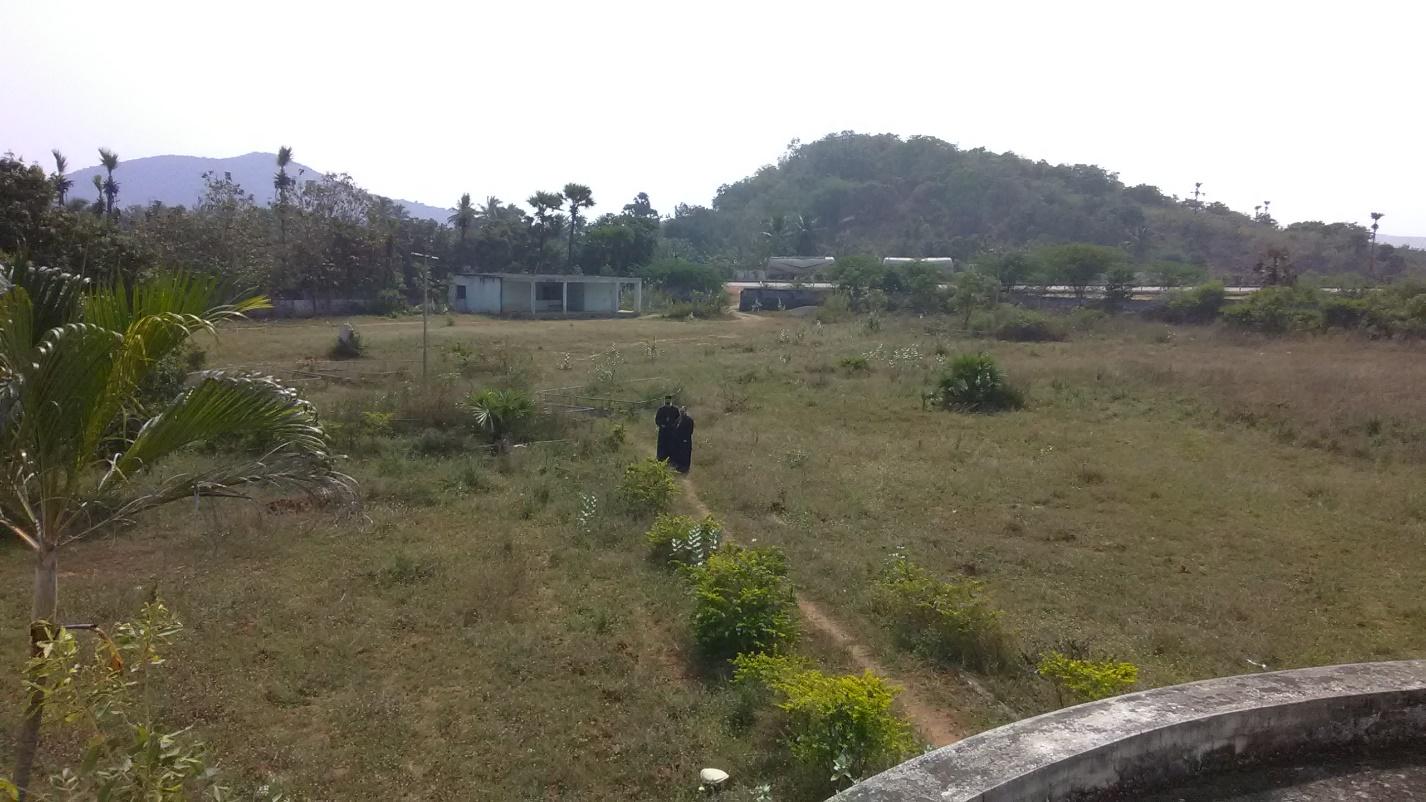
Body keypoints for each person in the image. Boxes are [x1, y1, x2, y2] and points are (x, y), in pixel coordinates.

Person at [655, 395, 679, 463]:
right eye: (666, 400)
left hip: (672, 432)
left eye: (669, 400)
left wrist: (674, 426)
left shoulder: (675, 410)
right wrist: (661, 425)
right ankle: (660, 459)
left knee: (671, 446)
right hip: (663, 432)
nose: (667, 402)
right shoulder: (661, 409)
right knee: (662, 445)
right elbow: (657, 419)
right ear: (665, 401)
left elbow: (678, 420)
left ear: (671, 401)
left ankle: (671, 460)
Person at [672, 406, 695, 474]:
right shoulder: (678, 419)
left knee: (686, 454)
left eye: (683, 411)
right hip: (678, 440)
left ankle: (685, 468)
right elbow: (674, 428)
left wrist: (685, 439)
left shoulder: (689, 420)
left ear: (685, 412)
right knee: (679, 453)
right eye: (680, 411)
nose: (681, 413)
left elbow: (690, 431)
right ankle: (679, 467)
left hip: (685, 440)